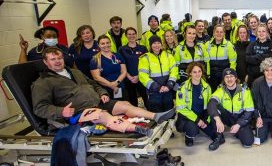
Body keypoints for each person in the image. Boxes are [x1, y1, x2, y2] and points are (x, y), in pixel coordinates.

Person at [31, 47, 176, 135]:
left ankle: (156, 116)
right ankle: (138, 130)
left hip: (97, 102)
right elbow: (39, 108)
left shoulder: (75, 72)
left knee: (125, 104)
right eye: (53, 59)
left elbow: (93, 84)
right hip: (78, 112)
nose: (57, 61)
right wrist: (60, 111)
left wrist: (103, 93)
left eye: (59, 58)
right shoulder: (43, 82)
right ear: (46, 62)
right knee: (102, 115)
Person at [207, 68, 255, 149]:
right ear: (224, 79)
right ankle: (219, 137)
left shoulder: (245, 90)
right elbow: (211, 102)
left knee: (248, 143)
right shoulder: (221, 89)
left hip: (240, 117)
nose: (229, 79)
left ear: (236, 78)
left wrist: (238, 125)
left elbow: (249, 111)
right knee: (214, 107)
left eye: (231, 76)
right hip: (227, 116)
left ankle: (238, 131)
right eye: (226, 77)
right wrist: (218, 120)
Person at [175, 62, 216, 148]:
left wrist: (205, 120)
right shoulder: (182, 87)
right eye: (194, 72)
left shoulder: (207, 87)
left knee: (215, 134)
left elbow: (209, 105)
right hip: (188, 117)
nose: (197, 74)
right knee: (193, 129)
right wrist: (197, 120)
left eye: (199, 71)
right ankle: (189, 137)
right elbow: (181, 109)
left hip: (201, 116)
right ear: (190, 73)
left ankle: (201, 126)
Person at [139, 35, 178, 112]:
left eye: (158, 43)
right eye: (154, 43)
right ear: (150, 45)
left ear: (161, 44)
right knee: (156, 114)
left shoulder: (168, 56)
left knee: (169, 112)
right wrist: (156, 87)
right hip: (153, 92)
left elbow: (174, 70)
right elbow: (142, 76)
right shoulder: (145, 58)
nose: (157, 45)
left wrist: (169, 84)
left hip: (168, 90)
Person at [90, 35, 128, 101]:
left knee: (125, 106)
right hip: (105, 91)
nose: (106, 45)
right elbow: (96, 77)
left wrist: (116, 82)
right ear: (98, 45)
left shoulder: (117, 55)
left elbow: (124, 72)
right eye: (103, 43)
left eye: (107, 43)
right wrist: (111, 85)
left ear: (110, 43)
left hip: (120, 86)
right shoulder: (95, 59)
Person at [117, 27, 148, 108]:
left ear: (136, 35)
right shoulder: (121, 49)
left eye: (133, 34)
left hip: (141, 78)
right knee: (132, 101)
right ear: (126, 36)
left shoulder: (143, 48)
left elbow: (147, 64)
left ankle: (150, 115)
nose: (131, 36)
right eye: (129, 34)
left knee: (146, 99)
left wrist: (138, 76)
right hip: (128, 79)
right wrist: (129, 77)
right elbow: (120, 64)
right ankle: (135, 118)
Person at [205, 24, 237, 90]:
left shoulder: (229, 45)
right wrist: (207, 74)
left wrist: (231, 76)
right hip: (211, 75)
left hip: (224, 75)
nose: (219, 34)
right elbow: (206, 61)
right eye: (217, 32)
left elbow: (233, 62)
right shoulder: (207, 45)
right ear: (213, 33)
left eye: (221, 32)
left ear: (224, 33)